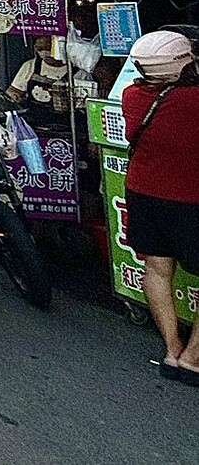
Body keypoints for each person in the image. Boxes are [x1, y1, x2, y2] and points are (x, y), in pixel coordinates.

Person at [122, 30, 199, 385]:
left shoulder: (131, 94)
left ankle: (171, 350)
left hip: (144, 192)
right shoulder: (193, 99)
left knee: (157, 269)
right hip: (190, 199)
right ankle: (193, 358)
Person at [6, 36, 69, 124]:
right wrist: (14, 98)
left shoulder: (76, 70)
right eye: (40, 49)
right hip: (35, 122)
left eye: (48, 48)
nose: (45, 52)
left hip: (67, 123)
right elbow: (14, 92)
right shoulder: (30, 65)